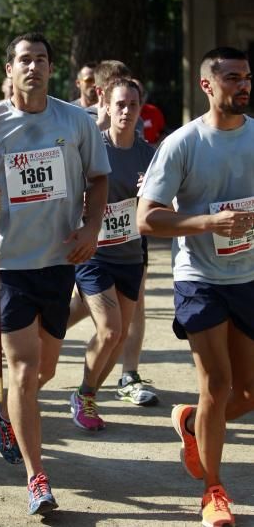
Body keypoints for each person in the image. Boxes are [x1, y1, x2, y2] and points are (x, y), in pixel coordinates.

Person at [0, 31, 110, 515]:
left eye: (41, 59)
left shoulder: (74, 120)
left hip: (59, 259)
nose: (32, 67)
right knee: (22, 370)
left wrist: (92, 225)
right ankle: (37, 476)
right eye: (24, 60)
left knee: (46, 369)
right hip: (8, 263)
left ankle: (4, 410)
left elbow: (99, 177)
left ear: (51, 68)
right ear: (9, 71)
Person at [137, 46, 254, 527]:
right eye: (232, 77)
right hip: (199, 279)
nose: (243, 85)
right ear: (207, 84)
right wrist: (208, 222)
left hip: (247, 276)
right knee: (218, 385)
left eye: (247, 77)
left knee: (246, 395)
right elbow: (147, 218)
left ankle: (190, 422)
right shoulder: (183, 143)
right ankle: (213, 492)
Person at [67, 79, 156, 430]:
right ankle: (84, 395)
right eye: (120, 103)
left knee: (118, 335)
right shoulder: (93, 147)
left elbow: (165, 202)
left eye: (133, 104)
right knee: (109, 329)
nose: (126, 111)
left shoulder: (149, 155)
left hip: (130, 255)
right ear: (105, 103)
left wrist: (150, 194)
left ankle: (85, 391)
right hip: (95, 252)